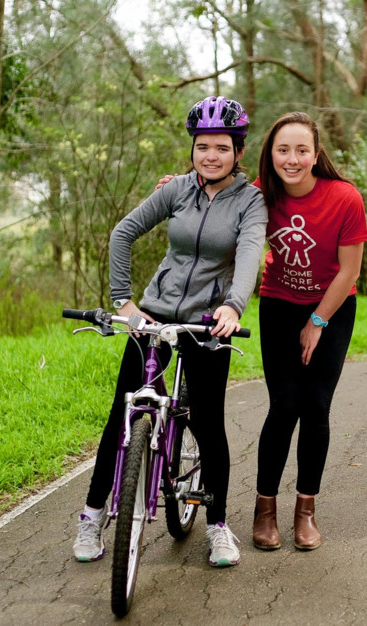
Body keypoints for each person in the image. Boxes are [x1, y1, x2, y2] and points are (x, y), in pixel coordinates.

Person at [73, 96, 267, 568]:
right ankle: (92, 515)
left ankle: (218, 525)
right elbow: (124, 232)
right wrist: (125, 301)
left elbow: (248, 254)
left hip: (207, 325)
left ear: (238, 151)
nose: (212, 155)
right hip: (154, 318)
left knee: (207, 423)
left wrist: (232, 306)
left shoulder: (251, 201)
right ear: (193, 148)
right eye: (203, 146)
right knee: (125, 416)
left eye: (222, 147)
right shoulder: (178, 189)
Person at [250, 112, 367, 551]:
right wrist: (177, 187)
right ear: (271, 154)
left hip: (334, 308)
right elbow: (212, 189)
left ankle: (306, 511)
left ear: (316, 154)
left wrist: (317, 322)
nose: (292, 159)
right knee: (283, 407)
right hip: (279, 306)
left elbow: (350, 270)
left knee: (316, 408)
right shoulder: (260, 195)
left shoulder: (344, 198)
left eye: (302, 150)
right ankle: (265, 511)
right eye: (283, 150)